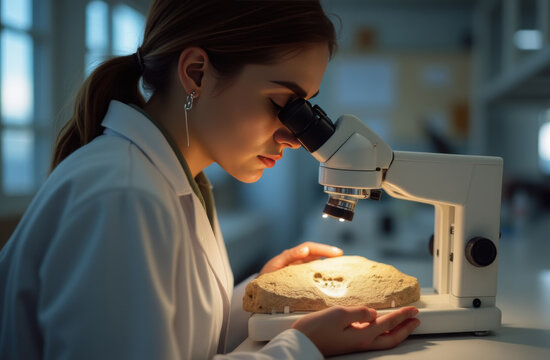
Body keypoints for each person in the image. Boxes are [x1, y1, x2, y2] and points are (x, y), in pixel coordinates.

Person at [0, 1, 421, 358]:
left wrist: (259, 295)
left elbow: (188, 340)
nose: (294, 137)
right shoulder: (123, 195)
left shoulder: (178, 180)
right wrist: (300, 347)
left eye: (305, 110)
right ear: (197, 73)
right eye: (282, 103)